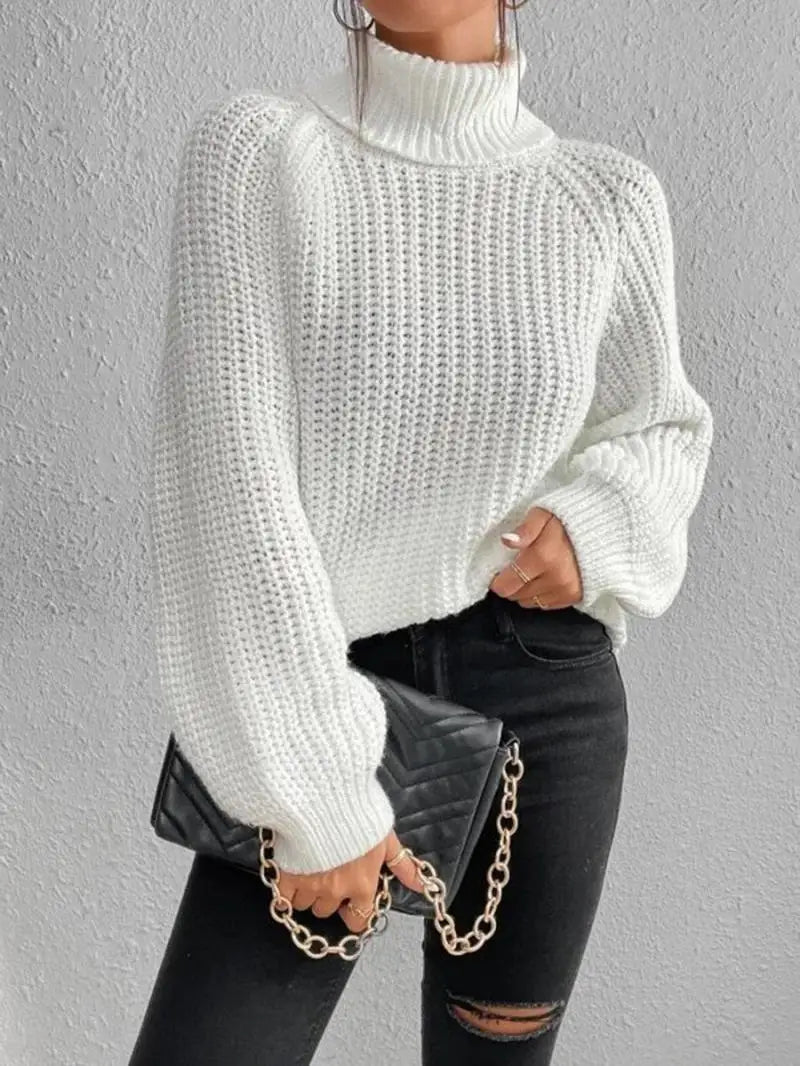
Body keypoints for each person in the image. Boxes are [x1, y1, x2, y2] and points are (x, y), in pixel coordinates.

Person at [130, 2, 714, 1063]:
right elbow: (227, 480)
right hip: (314, 686)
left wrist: (594, 523)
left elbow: (661, 426)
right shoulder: (258, 154)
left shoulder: (604, 197)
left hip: (544, 706)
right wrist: (317, 792)